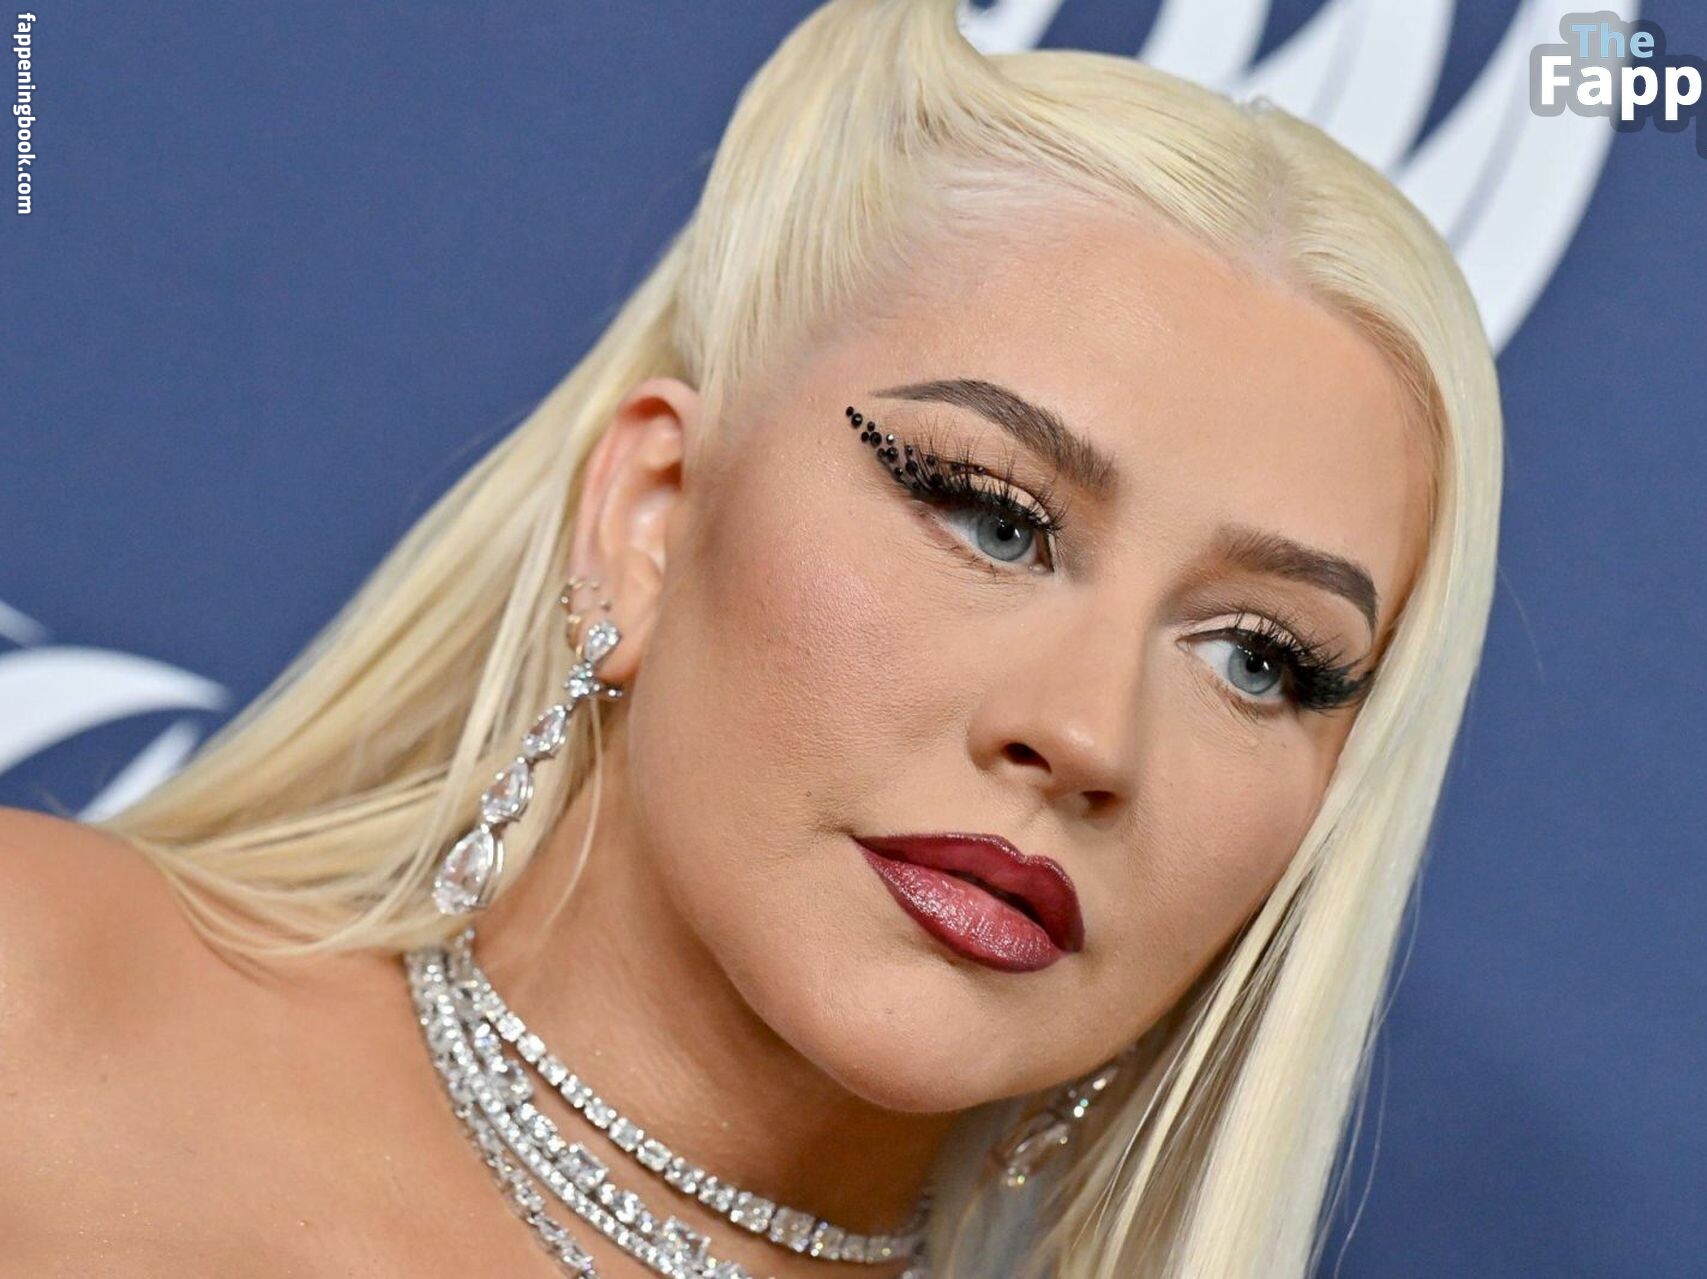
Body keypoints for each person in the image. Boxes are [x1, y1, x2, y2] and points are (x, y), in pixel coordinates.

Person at [0, 0, 1501, 1274]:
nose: (1086, 732)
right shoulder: (38, 1018)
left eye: (1258, 660)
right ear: (650, 520)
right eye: (993, 519)